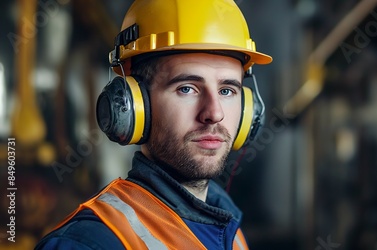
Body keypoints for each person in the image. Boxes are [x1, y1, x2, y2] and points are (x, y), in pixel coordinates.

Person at [35, 0, 272, 249]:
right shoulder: (90, 243)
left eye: (227, 90)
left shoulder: (229, 230)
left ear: (249, 108)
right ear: (134, 104)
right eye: (187, 88)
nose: (214, 113)